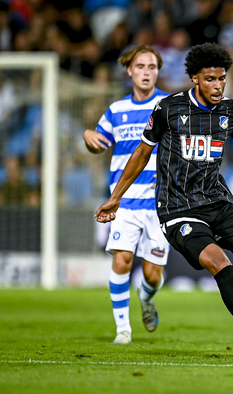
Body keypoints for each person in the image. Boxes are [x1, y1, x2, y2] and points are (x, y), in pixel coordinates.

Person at [94, 43, 233, 361]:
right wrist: (115, 197)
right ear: (195, 78)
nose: (218, 85)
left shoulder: (230, 110)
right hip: (177, 209)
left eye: (222, 78)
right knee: (221, 265)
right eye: (210, 79)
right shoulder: (168, 109)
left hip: (217, 202)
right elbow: (141, 154)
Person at [83, 45, 170, 345]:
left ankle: (146, 299)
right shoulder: (116, 110)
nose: (146, 72)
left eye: (152, 67)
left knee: (153, 275)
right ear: (129, 71)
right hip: (125, 201)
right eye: (141, 66)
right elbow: (99, 142)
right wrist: (87, 137)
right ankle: (123, 330)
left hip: (160, 203)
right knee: (121, 260)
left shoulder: (168, 105)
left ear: (158, 72)